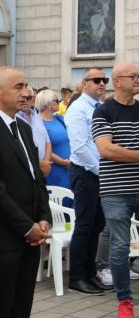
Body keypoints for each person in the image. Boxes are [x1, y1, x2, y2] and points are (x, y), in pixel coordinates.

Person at [0, 66, 52, 318]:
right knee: (2, 306)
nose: (27, 93)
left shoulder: (24, 127)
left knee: (22, 305)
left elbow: (36, 179)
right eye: (19, 87)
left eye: (27, 86)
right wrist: (27, 227)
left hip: (31, 236)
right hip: (4, 239)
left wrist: (44, 219)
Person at [93, 62, 139, 317]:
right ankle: (125, 300)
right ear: (118, 81)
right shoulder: (104, 112)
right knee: (120, 247)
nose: (138, 80)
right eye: (133, 76)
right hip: (116, 189)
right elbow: (106, 149)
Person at [65, 67, 110, 295]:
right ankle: (77, 277)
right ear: (85, 84)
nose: (101, 83)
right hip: (86, 172)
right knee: (84, 225)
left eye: (104, 80)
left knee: (97, 225)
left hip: (99, 172)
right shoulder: (78, 109)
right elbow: (80, 148)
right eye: (96, 80)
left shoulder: (101, 108)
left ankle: (90, 274)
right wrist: (101, 171)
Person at [36, 89, 71, 189]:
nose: (59, 102)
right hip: (55, 169)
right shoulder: (38, 123)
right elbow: (43, 148)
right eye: (56, 100)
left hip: (68, 168)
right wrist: (63, 162)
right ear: (48, 105)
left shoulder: (60, 119)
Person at [17, 86, 52, 177]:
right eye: (21, 97)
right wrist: (39, 164)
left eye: (28, 98)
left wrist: (45, 163)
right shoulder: (13, 118)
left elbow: (47, 142)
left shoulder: (37, 117)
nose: (24, 100)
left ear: (33, 99)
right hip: (25, 170)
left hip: (43, 170)